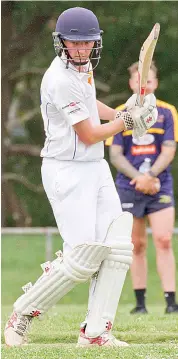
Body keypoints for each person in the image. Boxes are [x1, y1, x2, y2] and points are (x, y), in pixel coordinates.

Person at [4, 8, 158, 347]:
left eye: (88, 43)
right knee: (83, 256)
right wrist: (128, 122)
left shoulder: (83, 67)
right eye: (75, 44)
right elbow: (89, 133)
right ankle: (23, 312)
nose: (82, 50)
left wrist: (120, 113)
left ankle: (95, 332)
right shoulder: (57, 80)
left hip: (94, 167)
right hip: (65, 170)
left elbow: (90, 103)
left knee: (118, 247)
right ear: (61, 43)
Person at [106, 61, 178, 314]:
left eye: (148, 80)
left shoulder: (167, 112)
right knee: (136, 244)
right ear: (131, 83)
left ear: (155, 83)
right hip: (129, 185)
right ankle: (140, 304)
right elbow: (115, 155)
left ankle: (171, 302)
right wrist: (139, 177)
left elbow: (169, 149)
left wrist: (150, 176)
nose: (143, 84)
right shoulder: (120, 112)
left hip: (159, 184)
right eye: (139, 80)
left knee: (164, 239)